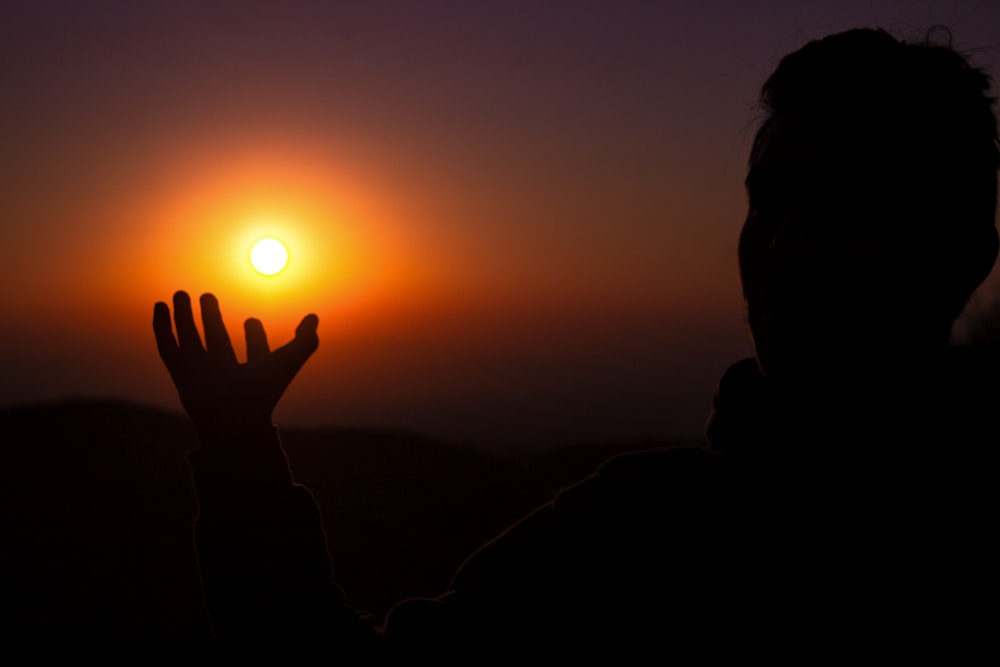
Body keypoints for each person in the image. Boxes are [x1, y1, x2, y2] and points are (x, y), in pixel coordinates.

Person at [154, 28, 999, 661]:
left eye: (844, 205)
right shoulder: (637, 527)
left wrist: (240, 459)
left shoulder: (651, 537)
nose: (781, 245)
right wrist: (239, 452)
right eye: (767, 201)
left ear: (962, 257)